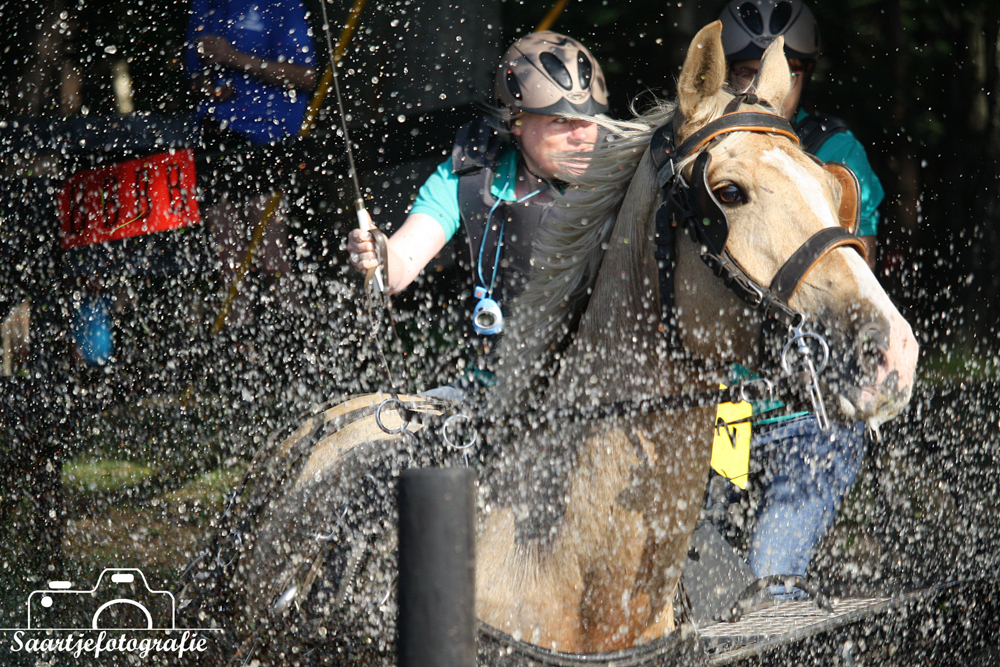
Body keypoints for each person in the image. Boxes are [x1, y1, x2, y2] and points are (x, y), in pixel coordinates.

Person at [716, 0, 885, 599]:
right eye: (745, 71)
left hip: (809, 416)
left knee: (765, 583)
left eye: (788, 70)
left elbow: (847, 261)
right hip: (722, 418)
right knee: (698, 583)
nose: (767, 84)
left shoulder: (834, 152)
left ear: (806, 74)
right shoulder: (704, 156)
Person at [347, 31, 607, 383]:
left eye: (589, 120)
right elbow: (400, 266)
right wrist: (377, 254)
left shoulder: (623, 181)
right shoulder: (470, 177)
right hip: (491, 385)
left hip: (600, 388)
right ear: (516, 121)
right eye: (560, 120)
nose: (582, 136)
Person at [186, 0, 317, 326]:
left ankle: (297, 335)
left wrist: (234, 59)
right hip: (215, 137)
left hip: (267, 140)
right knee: (228, 259)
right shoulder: (204, 4)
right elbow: (194, 80)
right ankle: (240, 346)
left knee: (272, 253)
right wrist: (211, 90)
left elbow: (307, 76)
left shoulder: (283, 5)